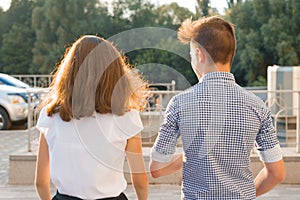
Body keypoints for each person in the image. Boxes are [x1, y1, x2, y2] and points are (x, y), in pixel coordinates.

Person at [150, 16, 285, 199]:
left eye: (191, 56)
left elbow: (157, 168)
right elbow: (277, 173)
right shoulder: (258, 106)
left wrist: (191, 155)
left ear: (200, 54)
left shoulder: (179, 104)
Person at [35, 35, 149, 200]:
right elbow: (140, 181)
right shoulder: (127, 117)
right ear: (115, 74)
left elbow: (40, 181)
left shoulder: (50, 115)